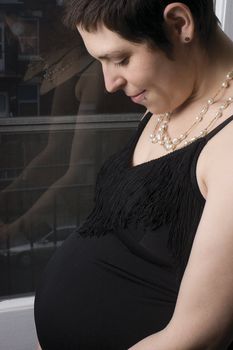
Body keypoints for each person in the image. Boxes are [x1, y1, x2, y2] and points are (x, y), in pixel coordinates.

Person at [34, 1, 233, 349]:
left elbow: (195, 336)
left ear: (179, 23)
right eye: (99, 61)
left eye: (121, 59)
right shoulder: (171, 95)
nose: (109, 83)